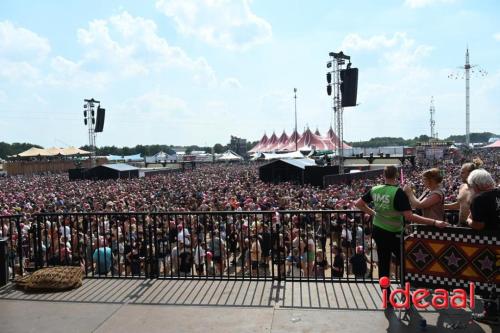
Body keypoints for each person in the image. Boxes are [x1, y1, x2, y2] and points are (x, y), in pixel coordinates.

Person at [355, 165, 448, 288]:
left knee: (383, 264)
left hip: (378, 230)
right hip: (395, 234)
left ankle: (385, 295)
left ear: (383, 175)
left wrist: (373, 213)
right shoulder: (398, 192)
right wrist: (434, 222)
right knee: (406, 262)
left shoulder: (375, 189)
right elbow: (410, 216)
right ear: (397, 175)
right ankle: (406, 290)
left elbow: (358, 204)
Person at [466, 169, 499, 325]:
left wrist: (468, 221)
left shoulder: (479, 198)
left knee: (489, 279)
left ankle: (490, 312)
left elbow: (478, 225)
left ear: (476, 185)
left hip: (491, 247)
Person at [444, 159, 483, 226]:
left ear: (471, 173)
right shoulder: (462, 186)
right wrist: (442, 205)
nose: (460, 175)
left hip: (473, 228)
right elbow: (459, 205)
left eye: (462, 172)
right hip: (460, 225)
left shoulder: (480, 189)